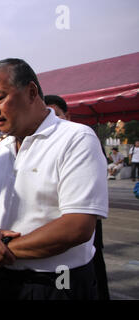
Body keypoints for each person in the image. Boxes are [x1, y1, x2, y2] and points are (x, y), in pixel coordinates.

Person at [0, 58, 108, 300]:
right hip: (3, 280)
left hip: (56, 284)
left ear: (31, 92)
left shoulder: (76, 139)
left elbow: (78, 226)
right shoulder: (3, 148)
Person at [45, 94, 110, 300]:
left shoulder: (81, 139)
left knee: (90, 265)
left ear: (68, 115)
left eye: (56, 115)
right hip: (53, 231)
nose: (51, 121)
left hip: (82, 221)